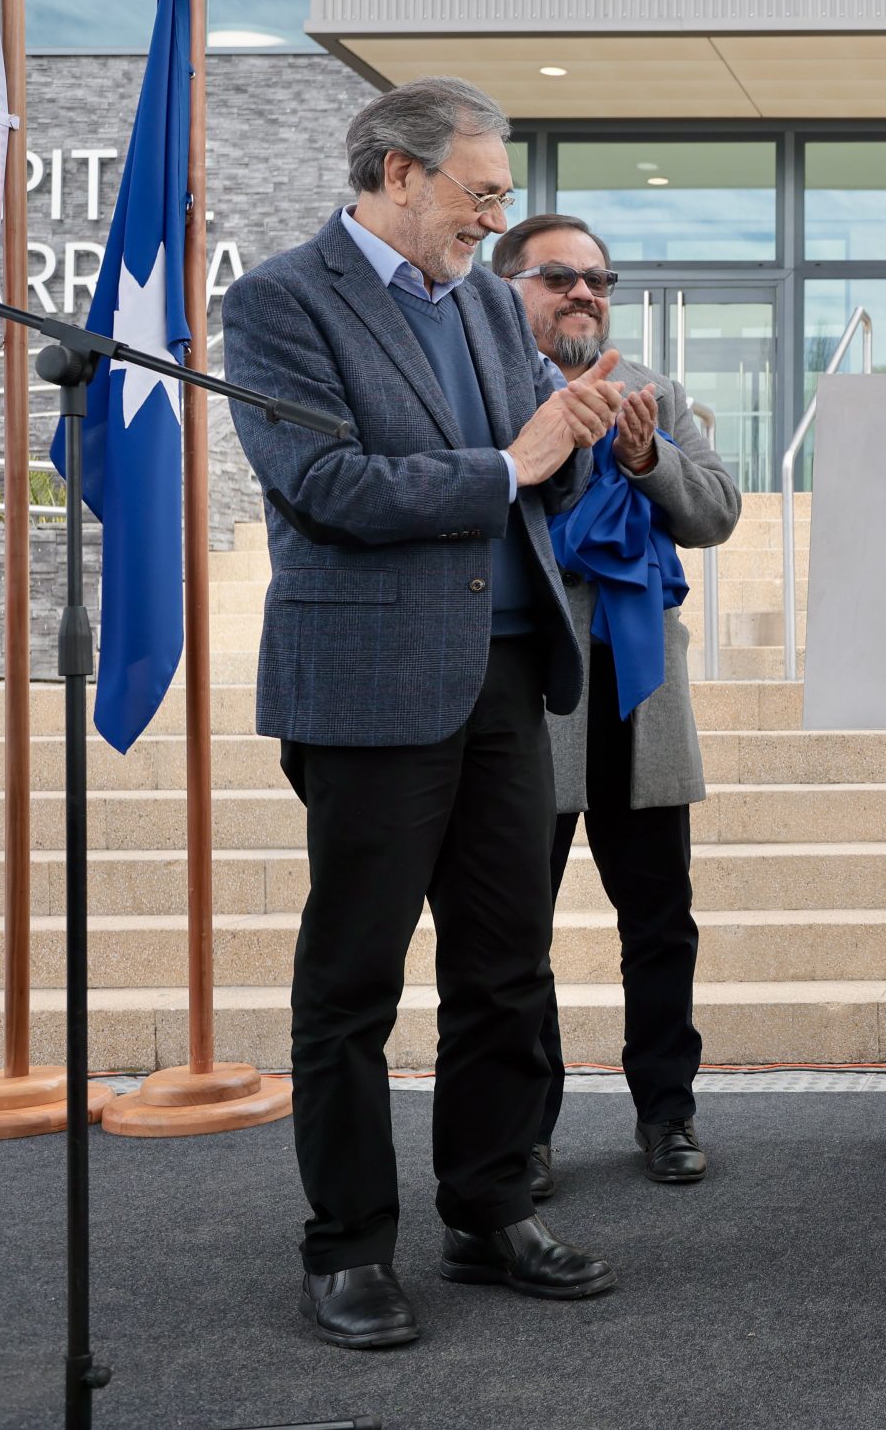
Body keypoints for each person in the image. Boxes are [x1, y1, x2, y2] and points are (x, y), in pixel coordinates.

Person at [224, 78, 628, 1348]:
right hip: (372, 688)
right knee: (351, 981)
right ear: (398, 173)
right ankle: (345, 1248)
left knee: (506, 967)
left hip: (510, 676)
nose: (490, 219)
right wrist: (517, 460)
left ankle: (489, 1208)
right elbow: (324, 481)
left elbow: (534, 487)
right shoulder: (282, 300)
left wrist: (589, 436)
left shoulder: (484, 310)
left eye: (500, 197)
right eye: (480, 193)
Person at [499, 213, 742, 1197]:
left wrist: (646, 461)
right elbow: (488, 508)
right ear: (508, 285)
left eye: (597, 279)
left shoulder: (655, 390)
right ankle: (525, 1127)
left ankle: (667, 1111)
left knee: (660, 919)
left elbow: (716, 511)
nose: (584, 295)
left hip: (637, 690)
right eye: (560, 277)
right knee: (518, 929)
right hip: (530, 691)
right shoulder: (486, 387)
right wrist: (558, 446)